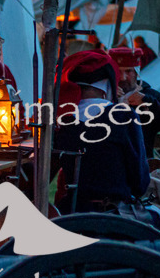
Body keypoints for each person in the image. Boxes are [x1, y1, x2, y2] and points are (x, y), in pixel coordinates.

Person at [53, 51, 149, 213]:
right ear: (108, 85)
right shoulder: (124, 116)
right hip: (115, 212)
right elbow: (140, 182)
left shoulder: (63, 121)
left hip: (72, 210)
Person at [109, 46, 160, 158]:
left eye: (128, 71)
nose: (123, 78)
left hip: (142, 166)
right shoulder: (104, 95)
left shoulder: (152, 96)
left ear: (136, 72)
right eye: (118, 72)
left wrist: (151, 104)